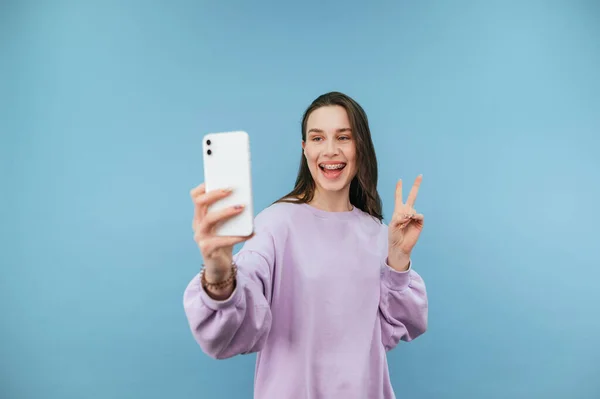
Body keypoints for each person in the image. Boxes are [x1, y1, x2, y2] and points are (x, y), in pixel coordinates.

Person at [183, 91, 428, 399]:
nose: (330, 150)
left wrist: (398, 259)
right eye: (317, 138)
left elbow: (398, 329)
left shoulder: (378, 233)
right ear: (304, 148)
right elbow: (233, 329)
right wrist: (219, 274)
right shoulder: (274, 224)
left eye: (343, 137)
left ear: (360, 147)